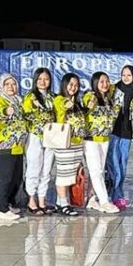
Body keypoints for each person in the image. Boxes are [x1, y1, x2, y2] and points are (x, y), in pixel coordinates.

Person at [0, 73, 27, 220]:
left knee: (16, 177)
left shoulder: (19, 101)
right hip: (4, 145)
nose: (11, 87)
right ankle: (1, 208)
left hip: (18, 146)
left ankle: (9, 203)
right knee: (5, 177)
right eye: (7, 84)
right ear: (1, 86)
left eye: (13, 84)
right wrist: (6, 111)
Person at [83, 72, 120, 214]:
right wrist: (89, 103)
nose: (105, 84)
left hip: (104, 139)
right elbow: (87, 103)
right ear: (95, 83)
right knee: (96, 170)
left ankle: (92, 198)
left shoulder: (108, 99)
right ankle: (105, 201)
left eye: (107, 81)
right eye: (101, 81)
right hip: (91, 139)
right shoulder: (91, 95)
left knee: (99, 171)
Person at [52, 73, 88, 216]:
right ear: (64, 85)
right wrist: (69, 102)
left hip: (78, 142)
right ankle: (63, 203)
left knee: (71, 173)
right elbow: (63, 106)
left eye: (76, 85)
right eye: (71, 84)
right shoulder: (59, 99)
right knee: (63, 173)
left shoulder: (77, 102)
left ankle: (61, 202)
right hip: (64, 142)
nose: (73, 87)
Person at [22, 67, 56, 215]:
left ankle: (42, 200)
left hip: (51, 137)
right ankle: (31, 199)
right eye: (40, 79)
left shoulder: (53, 97)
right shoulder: (29, 97)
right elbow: (26, 114)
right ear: (35, 80)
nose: (43, 82)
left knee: (47, 170)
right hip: (35, 136)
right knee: (33, 169)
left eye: (46, 79)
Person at [107, 65, 133, 209]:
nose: (126, 78)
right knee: (113, 164)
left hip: (127, 132)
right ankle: (115, 195)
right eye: (123, 75)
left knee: (122, 164)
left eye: (129, 75)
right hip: (113, 130)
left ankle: (117, 193)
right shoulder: (113, 89)